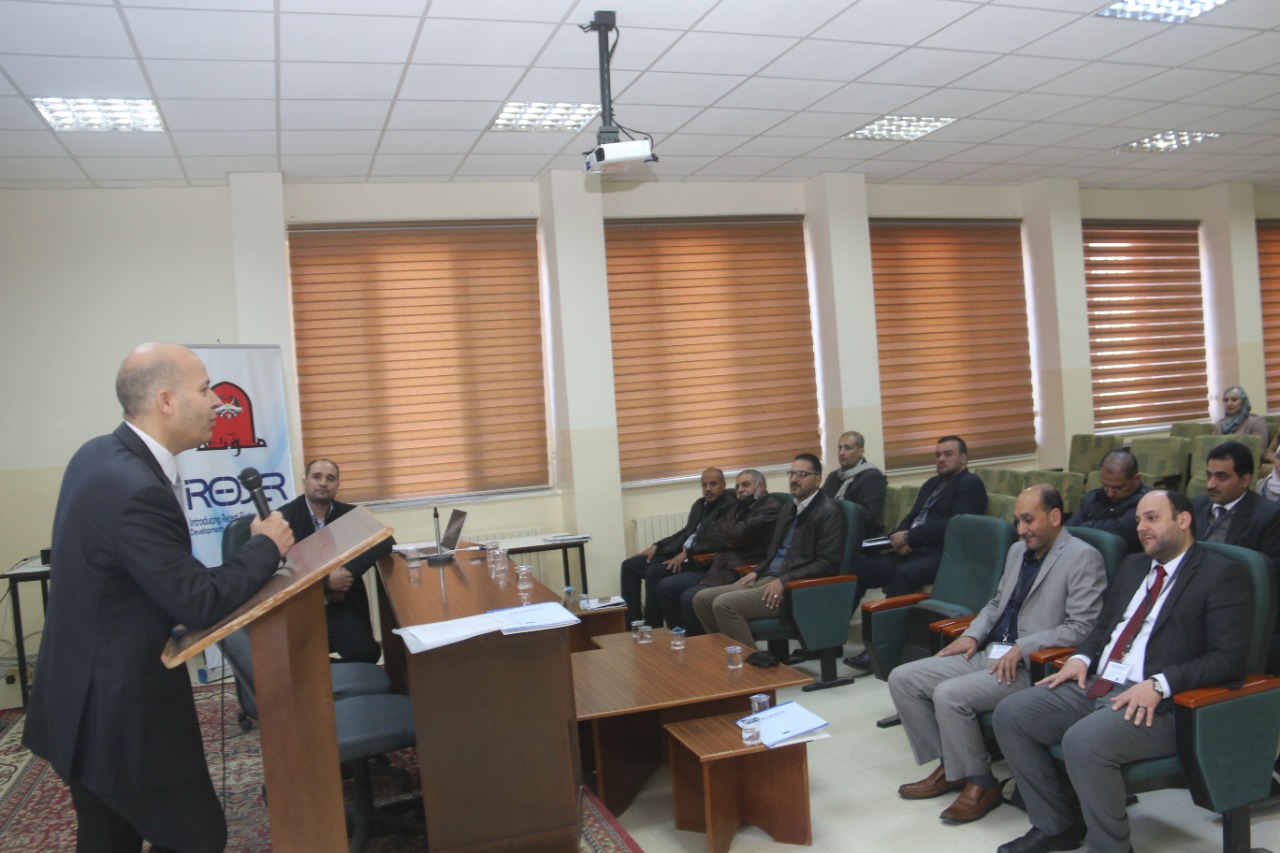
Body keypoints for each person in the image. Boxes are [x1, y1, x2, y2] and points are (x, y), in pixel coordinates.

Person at [23, 342, 295, 853]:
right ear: (166, 401)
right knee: (198, 838)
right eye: (205, 389)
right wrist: (265, 547)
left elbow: (150, 580)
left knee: (108, 837)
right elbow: (197, 600)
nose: (218, 402)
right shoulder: (135, 488)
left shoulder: (97, 453)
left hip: (77, 702)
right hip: (119, 720)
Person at [992, 490, 1253, 853]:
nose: (1142, 527)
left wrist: (1160, 684)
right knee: (1011, 714)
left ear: (1183, 520)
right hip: (1101, 681)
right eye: (1139, 520)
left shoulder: (1220, 574)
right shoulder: (1133, 566)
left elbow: (1227, 659)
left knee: (1083, 741)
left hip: (1163, 703)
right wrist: (1081, 659)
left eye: (1152, 518)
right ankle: (1056, 826)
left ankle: (1110, 847)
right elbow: (1103, 627)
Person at [888, 484, 1106, 825]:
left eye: (1029, 520)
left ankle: (981, 782)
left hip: (1031, 665)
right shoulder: (1018, 551)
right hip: (991, 651)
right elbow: (995, 604)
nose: (1021, 530)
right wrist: (971, 635)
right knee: (903, 678)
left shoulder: (1082, 557)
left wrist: (1025, 647)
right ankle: (953, 766)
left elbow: (1083, 627)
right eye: (1018, 521)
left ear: (1054, 517)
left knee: (949, 695)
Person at [845, 436, 987, 670]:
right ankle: (832, 636)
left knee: (903, 575)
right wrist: (899, 536)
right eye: (937, 455)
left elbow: (954, 524)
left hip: (942, 554)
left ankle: (882, 648)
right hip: (912, 549)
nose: (941, 459)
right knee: (861, 569)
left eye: (948, 454)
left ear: (963, 458)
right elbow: (913, 516)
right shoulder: (932, 483)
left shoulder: (970, 484)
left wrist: (911, 537)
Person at [692, 453, 846, 646]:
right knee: (701, 599)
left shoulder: (828, 513)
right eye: (791, 474)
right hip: (768, 578)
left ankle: (750, 662)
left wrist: (784, 580)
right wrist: (757, 572)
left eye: (801, 474)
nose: (794, 479)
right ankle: (727, 656)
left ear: (817, 479)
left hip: (795, 588)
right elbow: (773, 552)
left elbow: (827, 564)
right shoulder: (789, 508)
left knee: (724, 605)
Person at [278, 458, 394, 663]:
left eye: (330, 479)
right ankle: (319, 673)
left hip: (337, 606)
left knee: (368, 654)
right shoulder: (283, 519)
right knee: (289, 661)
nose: (323, 483)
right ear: (305, 481)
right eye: (317, 477)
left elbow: (386, 541)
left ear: (337, 485)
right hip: (300, 606)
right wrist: (326, 583)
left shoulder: (349, 514)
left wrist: (347, 570)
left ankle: (326, 672)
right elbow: (277, 571)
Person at [656, 469, 782, 633]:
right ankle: (684, 641)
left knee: (689, 598)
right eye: (737, 486)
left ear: (761, 486)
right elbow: (711, 533)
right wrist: (733, 535)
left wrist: (730, 535)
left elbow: (741, 534)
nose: (740, 490)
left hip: (740, 570)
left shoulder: (771, 507)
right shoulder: (738, 507)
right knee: (666, 587)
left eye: (746, 485)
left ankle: (705, 644)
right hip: (718, 569)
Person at [620, 467, 735, 626]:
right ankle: (633, 624)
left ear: (723, 484)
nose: (708, 489)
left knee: (654, 572)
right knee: (630, 566)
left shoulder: (729, 506)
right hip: (683, 552)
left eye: (713, 484)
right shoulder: (700, 504)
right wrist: (658, 545)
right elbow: (686, 533)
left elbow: (718, 540)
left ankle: (652, 626)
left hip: (697, 560)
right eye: (704, 485)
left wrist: (688, 553)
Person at [1192, 441, 1280, 565]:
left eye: (1221, 477)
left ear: (1245, 480)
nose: (1210, 485)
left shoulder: (1269, 516)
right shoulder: (1195, 506)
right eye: (1209, 476)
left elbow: (1269, 571)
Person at [1066, 449, 1149, 554]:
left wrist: (1085, 526)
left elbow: (1120, 534)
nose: (1110, 493)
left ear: (1136, 479)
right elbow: (1068, 531)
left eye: (1118, 488)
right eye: (1105, 485)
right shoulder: (1092, 497)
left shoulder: (1148, 502)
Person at [820, 430, 887, 535]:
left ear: (861, 452)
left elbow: (867, 516)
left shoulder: (872, 477)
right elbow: (820, 502)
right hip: (830, 529)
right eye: (840, 447)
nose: (841, 453)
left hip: (857, 534)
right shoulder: (834, 476)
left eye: (847, 448)